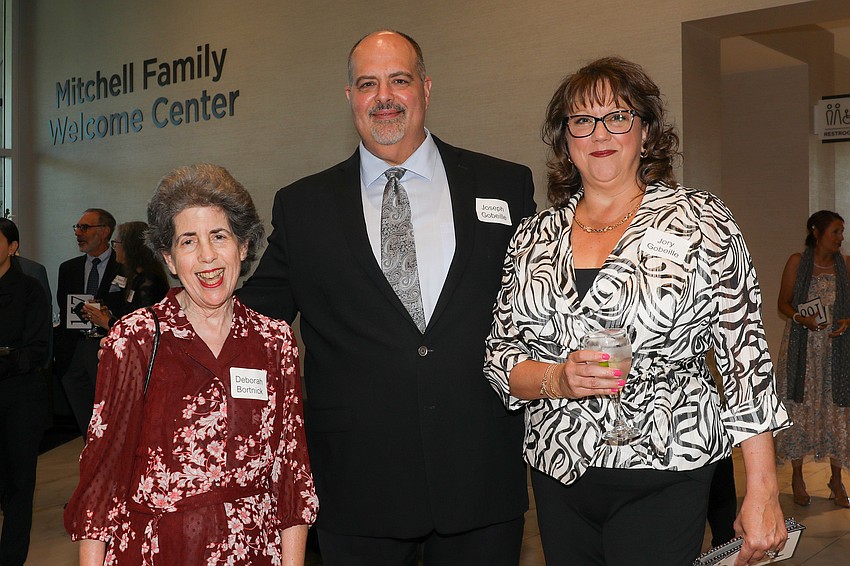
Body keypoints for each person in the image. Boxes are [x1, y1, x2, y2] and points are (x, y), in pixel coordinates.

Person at [238, 30, 536, 565]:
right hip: (357, 484)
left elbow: (546, 304)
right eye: (368, 84)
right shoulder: (304, 206)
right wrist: (162, 328)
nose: (384, 97)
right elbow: (253, 321)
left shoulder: (504, 185)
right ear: (348, 96)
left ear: (425, 88)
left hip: (480, 474)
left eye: (399, 80)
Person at [484, 57, 791, 566]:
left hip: (666, 467)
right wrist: (557, 379)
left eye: (618, 116)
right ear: (565, 140)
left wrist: (763, 488)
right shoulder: (532, 236)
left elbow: (745, 358)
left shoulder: (700, 222)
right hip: (560, 473)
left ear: (646, 131)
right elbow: (501, 358)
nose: (599, 132)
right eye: (582, 120)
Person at [64, 164, 317, 565]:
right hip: (157, 550)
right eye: (187, 241)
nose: (207, 256)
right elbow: (103, 478)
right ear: (168, 257)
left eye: (219, 236)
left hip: (254, 552)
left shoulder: (273, 340)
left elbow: (290, 474)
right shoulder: (137, 338)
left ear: (244, 246)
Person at [775, 210, 850, 508]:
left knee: (836, 413)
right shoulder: (797, 262)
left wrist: (847, 321)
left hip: (836, 352)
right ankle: (797, 476)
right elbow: (783, 302)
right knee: (800, 410)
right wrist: (801, 319)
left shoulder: (845, 265)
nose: (840, 238)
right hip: (802, 350)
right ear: (816, 232)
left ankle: (836, 479)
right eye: (835, 231)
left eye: (842, 232)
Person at [0, 218, 50, 566]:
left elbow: (36, 351)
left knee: (18, 486)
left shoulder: (30, 289)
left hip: (18, 399)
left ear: (13, 248)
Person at [56, 208, 122, 435]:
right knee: (86, 421)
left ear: (104, 232)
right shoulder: (68, 268)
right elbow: (64, 312)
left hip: (107, 350)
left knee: (111, 418)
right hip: (75, 351)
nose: (78, 233)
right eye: (77, 227)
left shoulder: (122, 265)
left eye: (85, 227)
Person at [83, 221, 170, 331]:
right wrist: (109, 316)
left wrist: (107, 322)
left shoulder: (148, 282)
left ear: (129, 247)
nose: (114, 248)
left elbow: (143, 329)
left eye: (116, 243)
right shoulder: (137, 278)